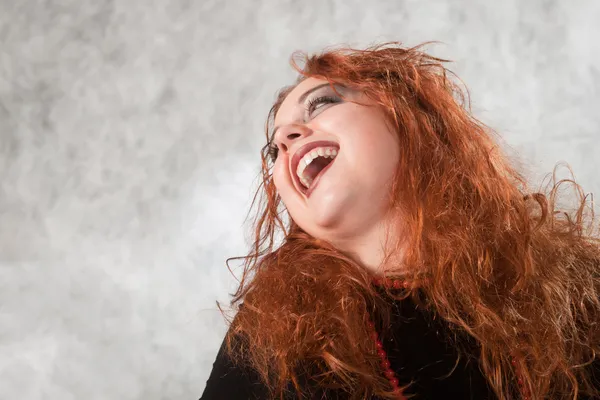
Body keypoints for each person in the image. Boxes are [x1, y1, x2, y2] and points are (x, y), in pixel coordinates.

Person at [200, 42, 600, 399]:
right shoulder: (272, 333)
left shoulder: (577, 284)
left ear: (414, 119)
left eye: (321, 103)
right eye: (273, 151)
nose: (285, 136)